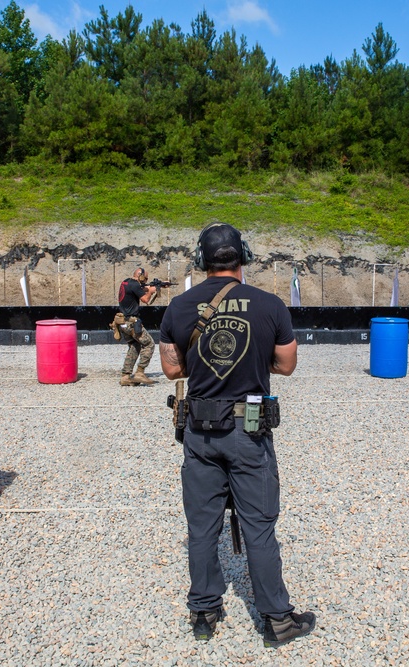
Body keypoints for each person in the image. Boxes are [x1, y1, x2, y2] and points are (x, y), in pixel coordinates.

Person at [158, 223, 316, 648]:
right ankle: (278, 621)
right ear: (243, 256)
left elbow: (172, 369)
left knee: (202, 527)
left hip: (200, 432)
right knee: (259, 527)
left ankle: (204, 611)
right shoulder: (270, 305)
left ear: (200, 260)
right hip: (249, 432)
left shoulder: (178, 306)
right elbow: (285, 365)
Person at [116, 267, 158, 386]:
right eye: (145, 278)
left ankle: (125, 376)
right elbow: (145, 299)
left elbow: (138, 289)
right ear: (140, 276)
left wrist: (150, 287)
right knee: (149, 344)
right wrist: (150, 291)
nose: (146, 280)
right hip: (132, 322)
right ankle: (140, 372)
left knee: (135, 346)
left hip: (122, 322)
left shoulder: (126, 282)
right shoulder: (135, 285)